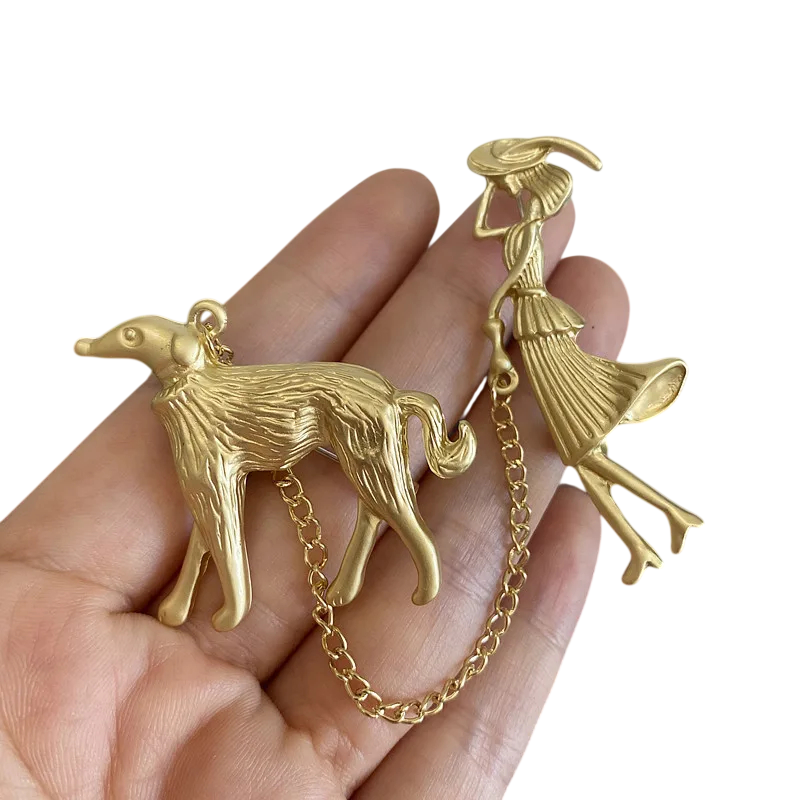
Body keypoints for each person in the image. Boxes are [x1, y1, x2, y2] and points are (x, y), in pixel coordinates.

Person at [1, 169, 635, 798]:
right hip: (330, 404)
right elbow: (210, 508)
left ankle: (418, 558)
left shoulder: (203, 407)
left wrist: (230, 601)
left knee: (387, 503)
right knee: (364, 504)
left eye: (132, 340)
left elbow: (217, 510)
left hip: (345, 404)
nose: (116, 344)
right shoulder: (195, 407)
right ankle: (318, 578)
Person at [471, 137, 702, 584]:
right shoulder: (521, 228)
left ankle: (669, 514)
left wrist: (494, 314)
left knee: (578, 446)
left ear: (524, 179)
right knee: (580, 449)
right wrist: (488, 187)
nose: (500, 186)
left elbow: (510, 282)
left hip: (539, 324)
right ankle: (645, 537)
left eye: (503, 179)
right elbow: (481, 230)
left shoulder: (528, 230)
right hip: (534, 325)